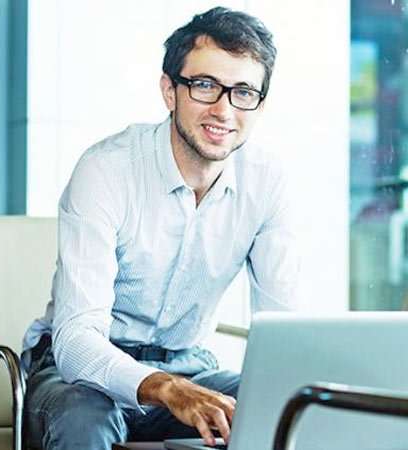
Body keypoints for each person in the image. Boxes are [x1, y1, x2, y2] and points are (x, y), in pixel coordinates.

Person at [21, 6, 302, 450]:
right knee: (86, 424)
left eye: (244, 91)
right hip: (76, 375)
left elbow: (286, 334)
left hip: (190, 366)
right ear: (169, 91)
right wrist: (166, 388)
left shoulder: (267, 183)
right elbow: (75, 342)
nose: (224, 110)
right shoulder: (107, 171)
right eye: (206, 85)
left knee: (291, 413)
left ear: (261, 104)